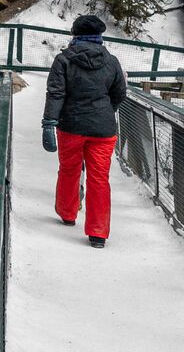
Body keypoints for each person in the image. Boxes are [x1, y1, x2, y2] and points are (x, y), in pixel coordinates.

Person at [41, 14, 127, 247]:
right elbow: (120, 93)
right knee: (100, 178)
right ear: (99, 37)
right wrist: (105, 111)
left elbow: (56, 93)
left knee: (69, 169)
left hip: (71, 126)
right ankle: (98, 233)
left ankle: (68, 213)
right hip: (104, 130)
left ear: (75, 35)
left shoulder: (63, 60)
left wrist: (49, 122)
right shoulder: (112, 61)